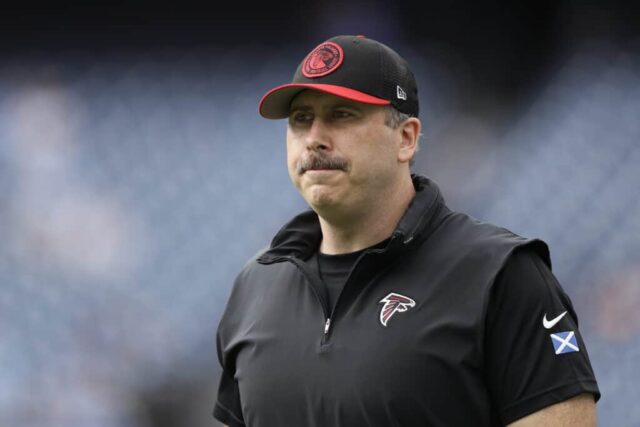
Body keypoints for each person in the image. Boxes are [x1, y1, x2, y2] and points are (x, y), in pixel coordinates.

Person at [212, 34, 600, 427]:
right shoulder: (254, 288)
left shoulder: (500, 275)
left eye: (342, 115)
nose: (314, 138)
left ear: (406, 138)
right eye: (301, 119)